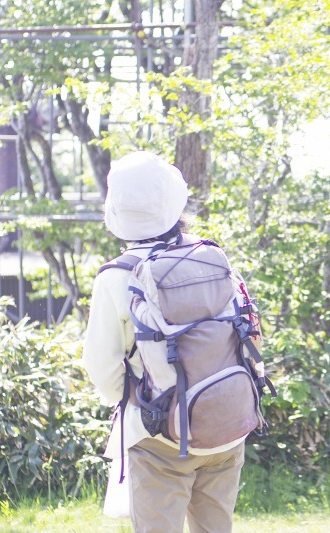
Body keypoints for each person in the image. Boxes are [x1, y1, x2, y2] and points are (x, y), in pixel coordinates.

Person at [82, 151, 246, 533]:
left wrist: (129, 407)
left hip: (159, 433)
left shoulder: (116, 277)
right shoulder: (212, 257)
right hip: (225, 424)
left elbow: (101, 367)